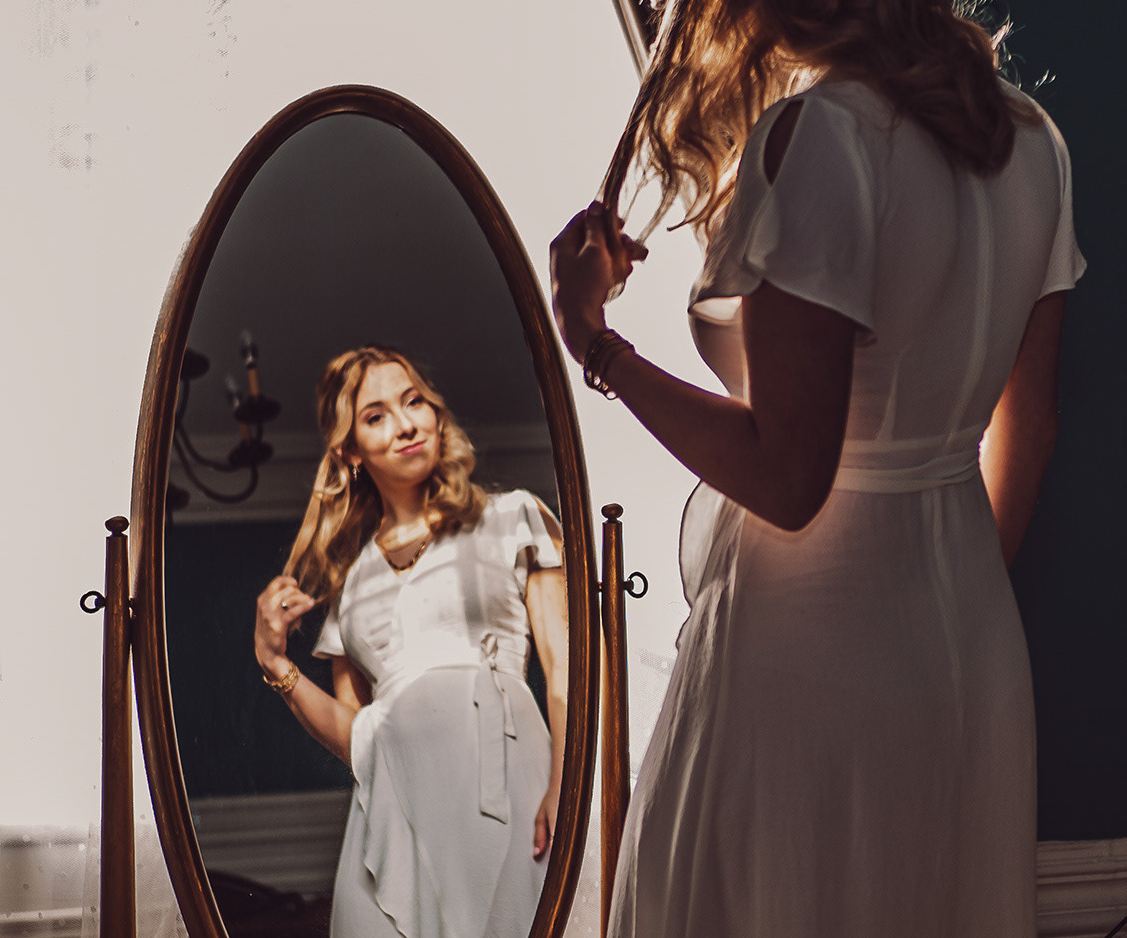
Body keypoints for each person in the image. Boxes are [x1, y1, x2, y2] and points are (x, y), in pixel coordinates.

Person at [549, 0, 1084, 935]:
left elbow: (790, 480)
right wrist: (937, 609)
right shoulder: (1033, 137)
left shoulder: (828, 134)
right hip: (973, 645)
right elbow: (1029, 427)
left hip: (812, 653)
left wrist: (593, 339)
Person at [253, 346, 568, 938]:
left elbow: (565, 668)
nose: (404, 425)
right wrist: (274, 662)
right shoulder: (352, 586)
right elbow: (356, 737)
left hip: (505, 782)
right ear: (350, 452)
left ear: (436, 413)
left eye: (414, 401)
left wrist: (565, 784)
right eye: (376, 416)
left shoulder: (512, 517)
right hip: (390, 813)